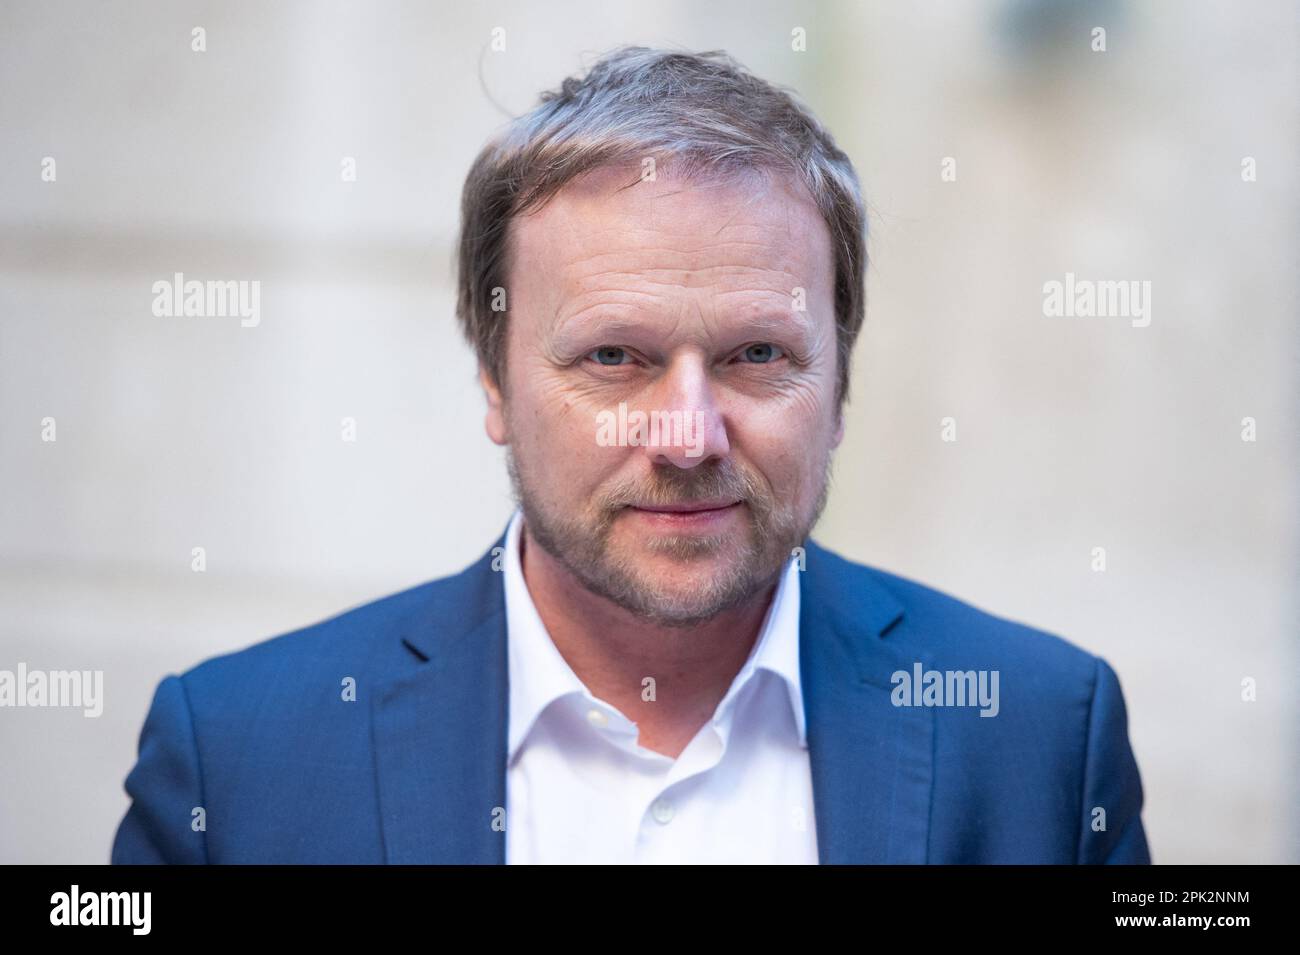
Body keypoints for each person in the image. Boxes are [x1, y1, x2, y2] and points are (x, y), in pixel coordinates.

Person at [112, 45, 1150, 864]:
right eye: (614, 357)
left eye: (757, 355)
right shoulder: (241, 756)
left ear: (841, 385)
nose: (687, 437)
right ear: (494, 384)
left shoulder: (1038, 732)